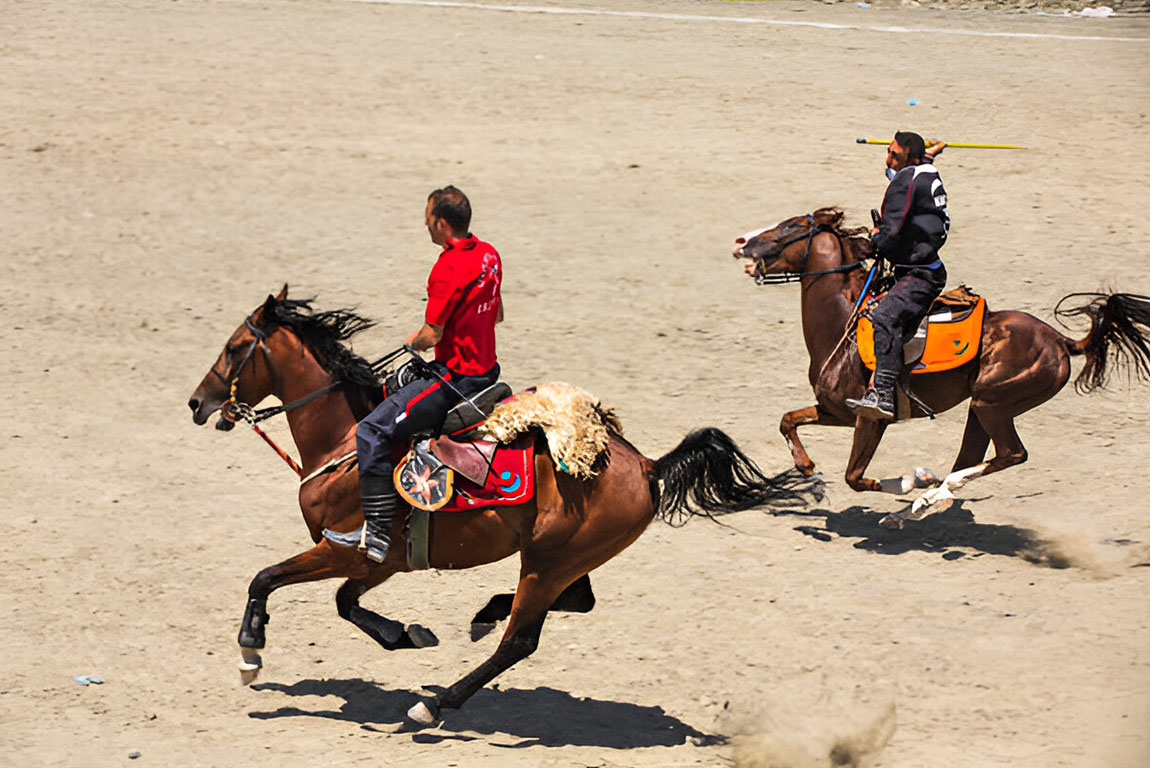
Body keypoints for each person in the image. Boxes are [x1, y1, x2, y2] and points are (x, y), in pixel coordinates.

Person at [337, 186, 503, 562]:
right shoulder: (489, 255)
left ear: (442, 224)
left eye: (428, 219)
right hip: (487, 368)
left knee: (372, 429)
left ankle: (377, 531)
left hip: (455, 380)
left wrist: (410, 343)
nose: (425, 224)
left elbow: (432, 334)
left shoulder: (447, 267)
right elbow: (498, 312)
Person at [846, 131, 950, 420]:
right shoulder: (926, 172)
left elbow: (890, 234)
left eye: (895, 155)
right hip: (926, 264)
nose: (888, 158)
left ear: (910, 159)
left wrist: (875, 238)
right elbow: (917, 169)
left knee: (882, 316)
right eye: (889, 152)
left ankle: (883, 395)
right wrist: (933, 152)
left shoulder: (904, 181)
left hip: (919, 275)